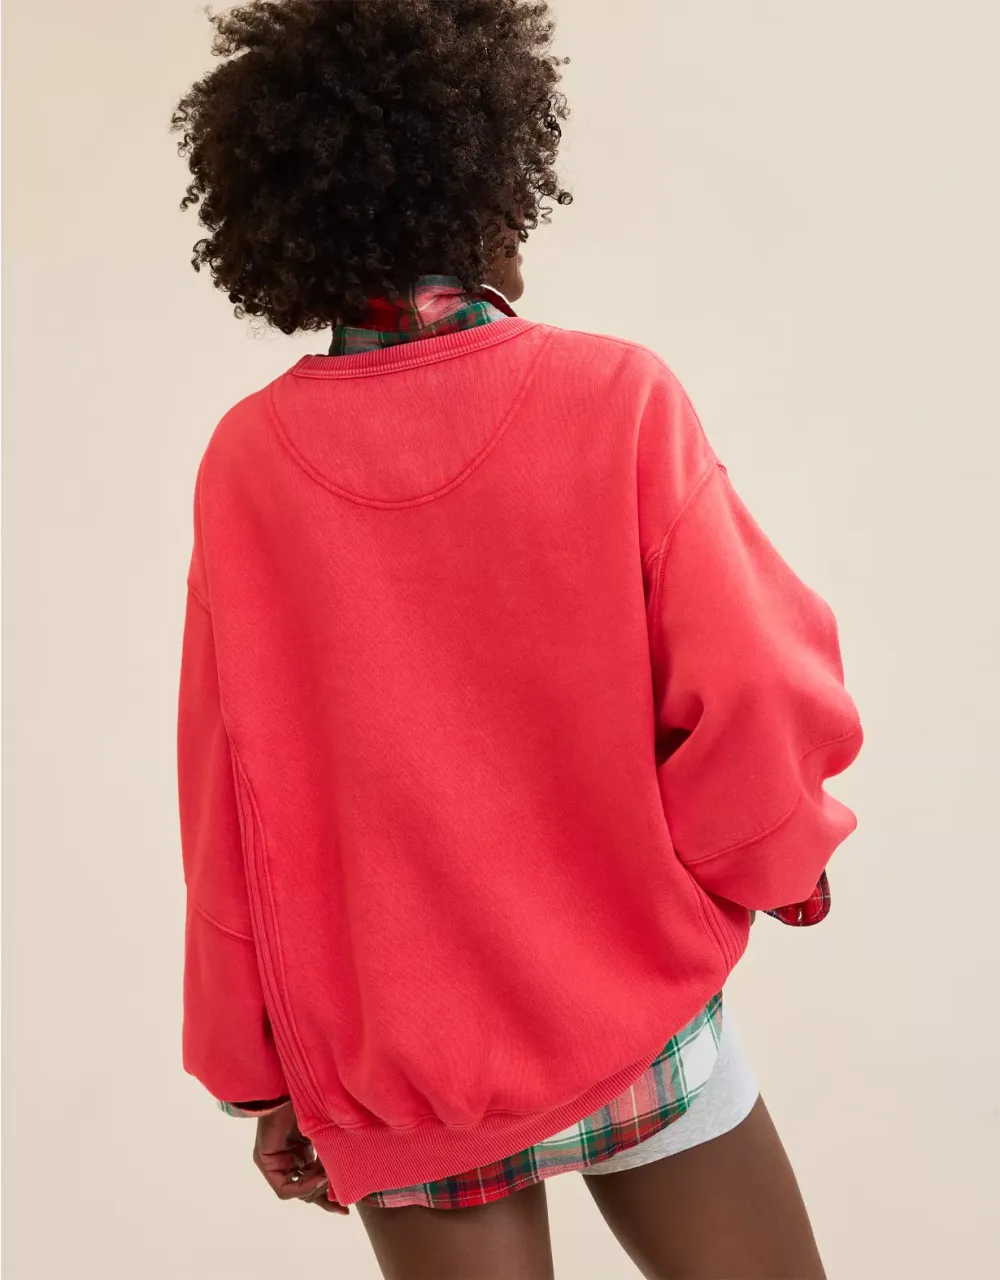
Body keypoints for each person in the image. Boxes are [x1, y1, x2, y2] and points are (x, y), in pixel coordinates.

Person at [172, 3, 862, 1277]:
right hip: (638, 1008)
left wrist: (255, 1068)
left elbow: (231, 799)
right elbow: (755, 683)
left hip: (406, 1075)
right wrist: (772, 861)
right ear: (493, 180)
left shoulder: (246, 463)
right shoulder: (616, 396)